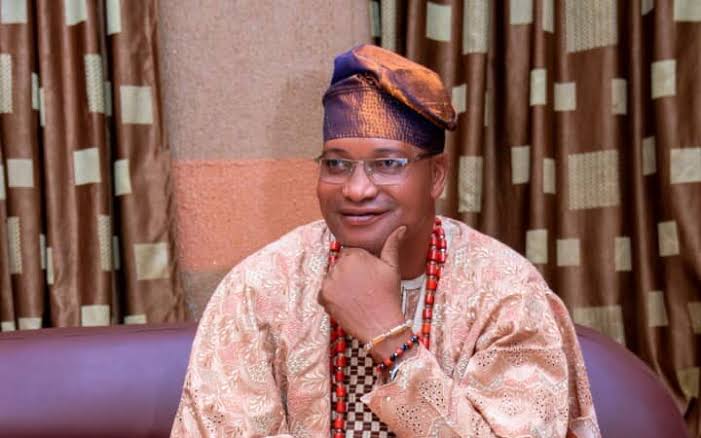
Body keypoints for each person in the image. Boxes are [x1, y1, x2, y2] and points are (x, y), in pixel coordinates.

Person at [171, 44, 600, 438]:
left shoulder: (505, 292)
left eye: (388, 164)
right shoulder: (261, 289)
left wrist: (390, 339)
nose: (356, 189)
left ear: (436, 175)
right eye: (336, 164)